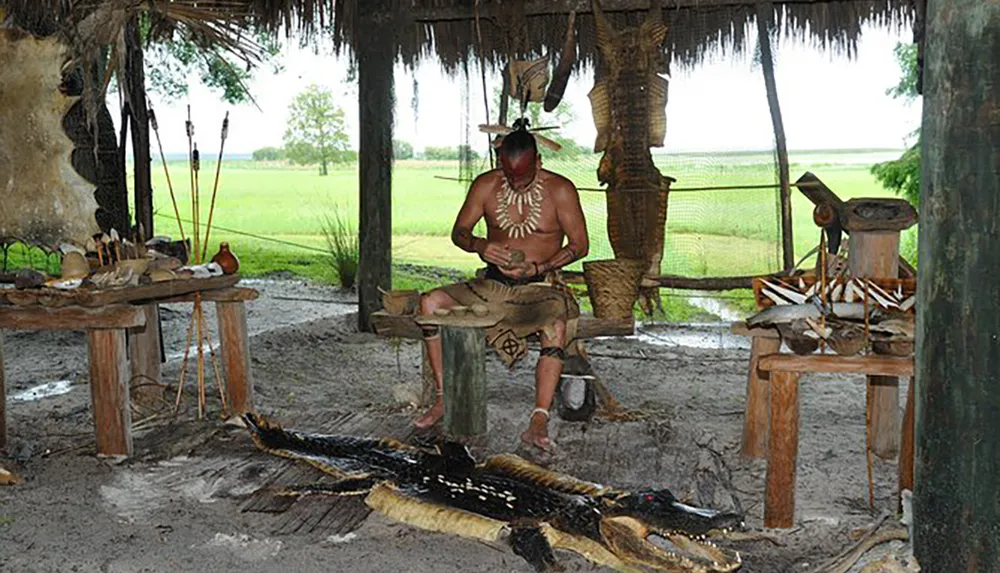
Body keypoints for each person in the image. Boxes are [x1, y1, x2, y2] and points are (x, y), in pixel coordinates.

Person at [414, 121, 589, 452]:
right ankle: (443, 399)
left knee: (554, 325)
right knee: (430, 304)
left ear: (538, 162)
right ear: (500, 165)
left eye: (524, 178)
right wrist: (481, 246)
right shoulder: (485, 186)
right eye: (510, 177)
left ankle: (538, 419)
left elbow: (580, 245)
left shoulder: (560, 189)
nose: (517, 184)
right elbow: (459, 232)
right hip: (492, 285)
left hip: (541, 287)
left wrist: (542, 265)